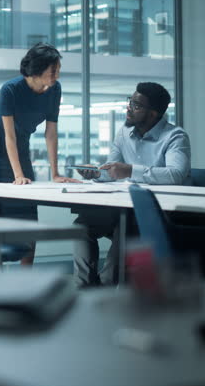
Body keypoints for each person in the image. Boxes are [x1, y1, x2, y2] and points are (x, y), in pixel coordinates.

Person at [73, 81, 191, 288]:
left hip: (152, 210)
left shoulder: (175, 137)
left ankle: (106, 286)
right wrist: (96, 173)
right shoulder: (123, 133)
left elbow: (176, 175)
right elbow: (112, 171)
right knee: (82, 226)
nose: (129, 108)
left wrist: (130, 170)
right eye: (130, 102)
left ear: (153, 113)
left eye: (136, 106)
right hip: (120, 204)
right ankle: (83, 287)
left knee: (125, 230)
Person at [0, 42, 78, 263]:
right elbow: (9, 135)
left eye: (58, 69)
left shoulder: (55, 89)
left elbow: (50, 133)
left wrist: (56, 173)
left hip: (21, 148)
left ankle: (27, 283)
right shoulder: (10, 89)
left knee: (29, 211)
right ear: (38, 69)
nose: (57, 74)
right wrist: (17, 175)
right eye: (54, 70)